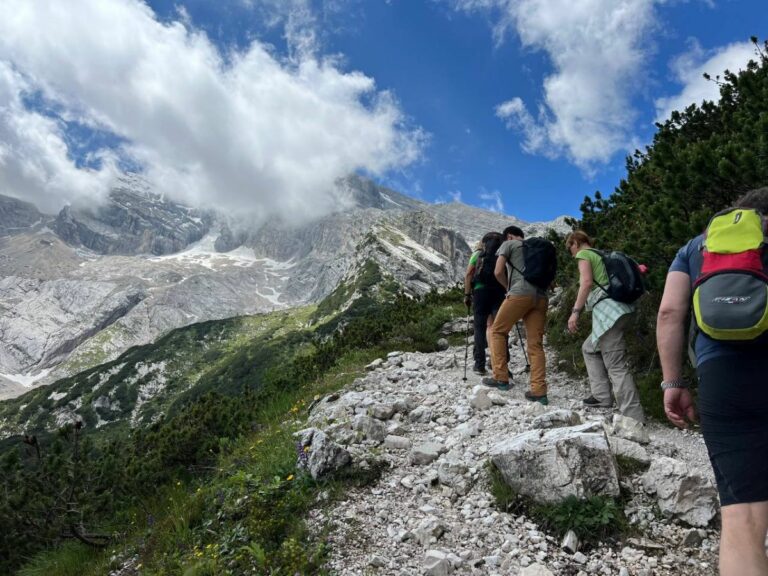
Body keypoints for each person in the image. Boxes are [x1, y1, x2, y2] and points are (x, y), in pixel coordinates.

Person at [657, 187, 768, 576]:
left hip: (724, 377)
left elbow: (670, 312)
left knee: (743, 519)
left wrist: (673, 383)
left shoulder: (697, 247)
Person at [566, 231, 645, 422]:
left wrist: (575, 312)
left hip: (608, 313)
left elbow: (586, 283)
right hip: (620, 309)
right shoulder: (601, 254)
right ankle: (601, 396)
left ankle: (633, 418)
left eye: (570, 248)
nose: (571, 253)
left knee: (616, 365)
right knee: (589, 348)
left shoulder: (584, 254)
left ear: (575, 243)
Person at [483, 225, 548, 404]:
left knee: (497, 331)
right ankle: (539, 391)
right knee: (535, 344)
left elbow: (497, 271)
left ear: (509, 236)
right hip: (541, 297)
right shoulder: (537, 248)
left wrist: (508, 288)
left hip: (519, 293)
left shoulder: (509, 245)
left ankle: (500, 378)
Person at [464, 232, 506, 375]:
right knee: (499, 328)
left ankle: (479, 364)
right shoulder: (502, 255)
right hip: (499, 293)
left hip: (480, 293)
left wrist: (467, 294)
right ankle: (502, 365)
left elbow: (469, 274)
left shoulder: (478, 254)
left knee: (479, 328)